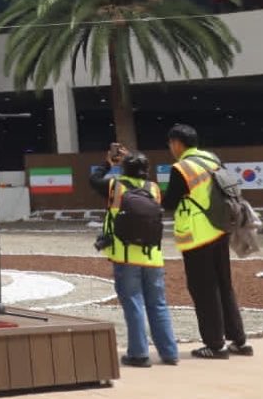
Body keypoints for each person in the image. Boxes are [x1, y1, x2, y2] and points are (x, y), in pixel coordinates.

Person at [164, 123, 253, 359]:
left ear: (177, 143)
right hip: (221, 228)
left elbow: (170, 202)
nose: (171, 148)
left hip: (197, 235)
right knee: (224, 285)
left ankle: (215, 345)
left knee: (204, 289)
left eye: (171, 143)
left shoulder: (182, 168)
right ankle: (239, 341)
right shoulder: (213, 159)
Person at [89, 148, 179, 367]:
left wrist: (108, 163)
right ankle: (169, 353)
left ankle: (139, 354)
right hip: (153, 256)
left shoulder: (115, 186)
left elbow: (94, 179)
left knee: (134, 304)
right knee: (158, 305)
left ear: (124, 168)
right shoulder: (154, 188)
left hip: (125, 255)